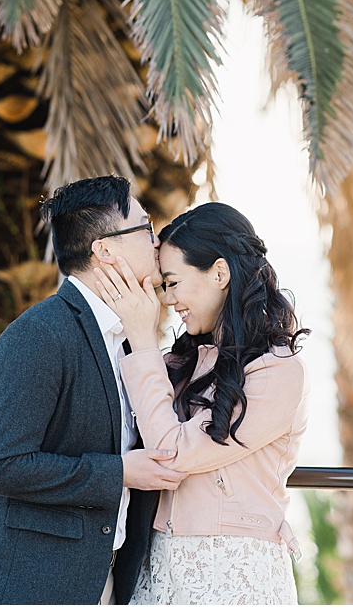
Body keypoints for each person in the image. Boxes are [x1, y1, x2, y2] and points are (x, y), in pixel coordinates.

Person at [0, 175, 187, 605]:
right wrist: (120, 472)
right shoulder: (38, 335)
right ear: (106, 249)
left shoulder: (133, 338)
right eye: (146, 228)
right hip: (28, 585)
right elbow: (0, 465)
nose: (157, 242)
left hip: (105, 582)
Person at [92, 202, 310, 605]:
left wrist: (142, 341)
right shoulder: (183, 362)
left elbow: (171, 454)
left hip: (235, 571)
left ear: (220, 273)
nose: (168, 301)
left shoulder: (278, 371)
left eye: (172, 283)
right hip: (157, 568)